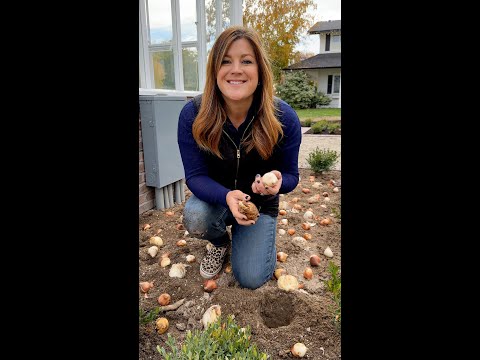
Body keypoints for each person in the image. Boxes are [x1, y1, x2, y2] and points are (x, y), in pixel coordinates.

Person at [177, 25, 301, 290]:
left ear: (260, 70)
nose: (236, 69)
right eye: (226, 61)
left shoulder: (283, 118)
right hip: (216, 202)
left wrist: (278, 182)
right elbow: (195, 176)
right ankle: (220, 242)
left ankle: (255, 238)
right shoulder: (193, 115)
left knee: (251, 277)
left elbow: (292, 175)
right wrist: (227, 196)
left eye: (246, 61)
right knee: (196, 215)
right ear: (214, 71)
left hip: (258, 207)